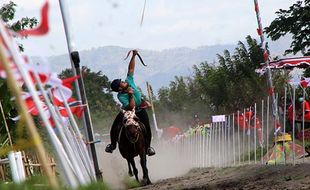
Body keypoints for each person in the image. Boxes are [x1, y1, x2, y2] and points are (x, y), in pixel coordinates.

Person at [105, 49, 156, 156]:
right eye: (121, 83)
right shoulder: (121, 96)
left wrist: (134, 56)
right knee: (114, 127)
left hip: (139, 110)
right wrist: (130, 94)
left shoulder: (129, 81)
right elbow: (131, 106)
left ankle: (148, 148)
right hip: (128, 112)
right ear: (119, 89)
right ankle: (112, 145)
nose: (123, 82)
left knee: (147, 127)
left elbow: (131, 68)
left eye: (122, 81)